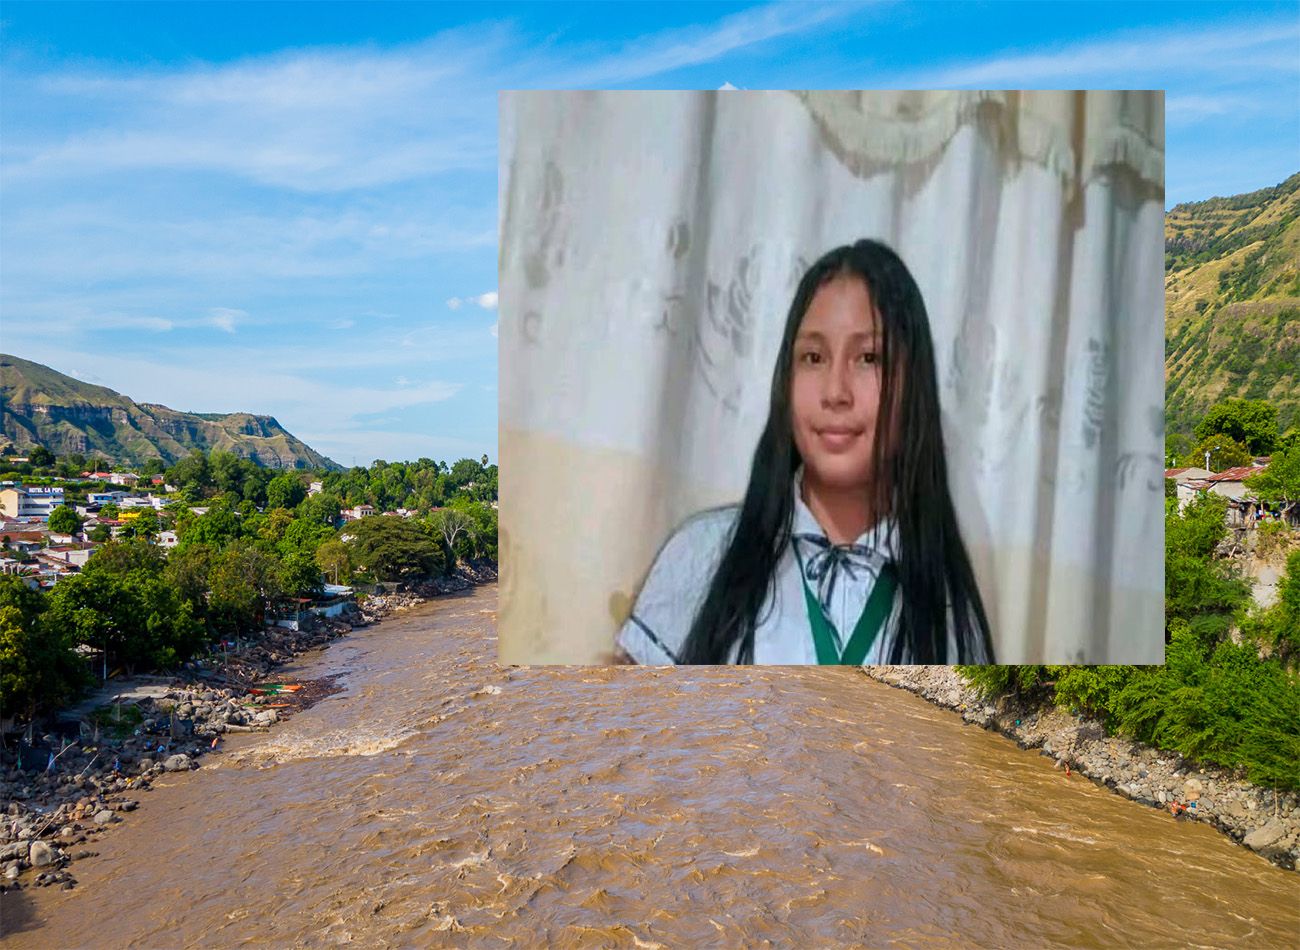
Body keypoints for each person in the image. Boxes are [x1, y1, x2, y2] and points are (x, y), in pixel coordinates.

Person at [616, 239, 995, 665]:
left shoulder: (947, 615)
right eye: (813, 357)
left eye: (869, 358)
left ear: (914, 388)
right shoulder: (702, 556)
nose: (835, 392)